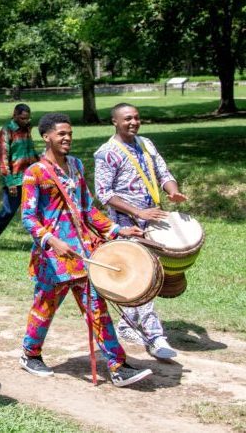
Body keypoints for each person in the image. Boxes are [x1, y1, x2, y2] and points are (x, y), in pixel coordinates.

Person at [18, 112, 151, 387]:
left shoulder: (76, 166)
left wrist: (116, 230)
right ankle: (30, 353)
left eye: (70, 134)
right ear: (46, 137)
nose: (67, 138)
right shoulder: (35, 173)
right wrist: (52, 241)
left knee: (96, 308)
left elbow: (89, 208)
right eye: (61, 134)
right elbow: (28, 217)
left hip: (82, 254)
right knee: (44, 307)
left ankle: (117, 365)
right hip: (53, 258)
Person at [94, 103, 188, 361]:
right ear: (115, 121)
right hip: (128, 224)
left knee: (148, 275)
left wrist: (172, 191)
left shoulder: (146, 144)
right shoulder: (106, 153)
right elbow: (104, 194)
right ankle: (156, 337)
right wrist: (138, 213)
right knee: (141, 274)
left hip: (153, 219)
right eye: (127, 119)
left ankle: (127, 323)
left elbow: (162, 172)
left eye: (136, 118)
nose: (133, 122)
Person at [0, 104, 38, 250]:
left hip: (31, 176)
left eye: (27, 118)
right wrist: (10, 182)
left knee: (36, 209)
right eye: (22, 118)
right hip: (15, 178)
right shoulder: (6, 131)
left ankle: (41, 240)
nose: (26, 121)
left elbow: (30, 150)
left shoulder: (27, 129)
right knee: (9, 210)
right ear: (14, 115)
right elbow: (3, 158)